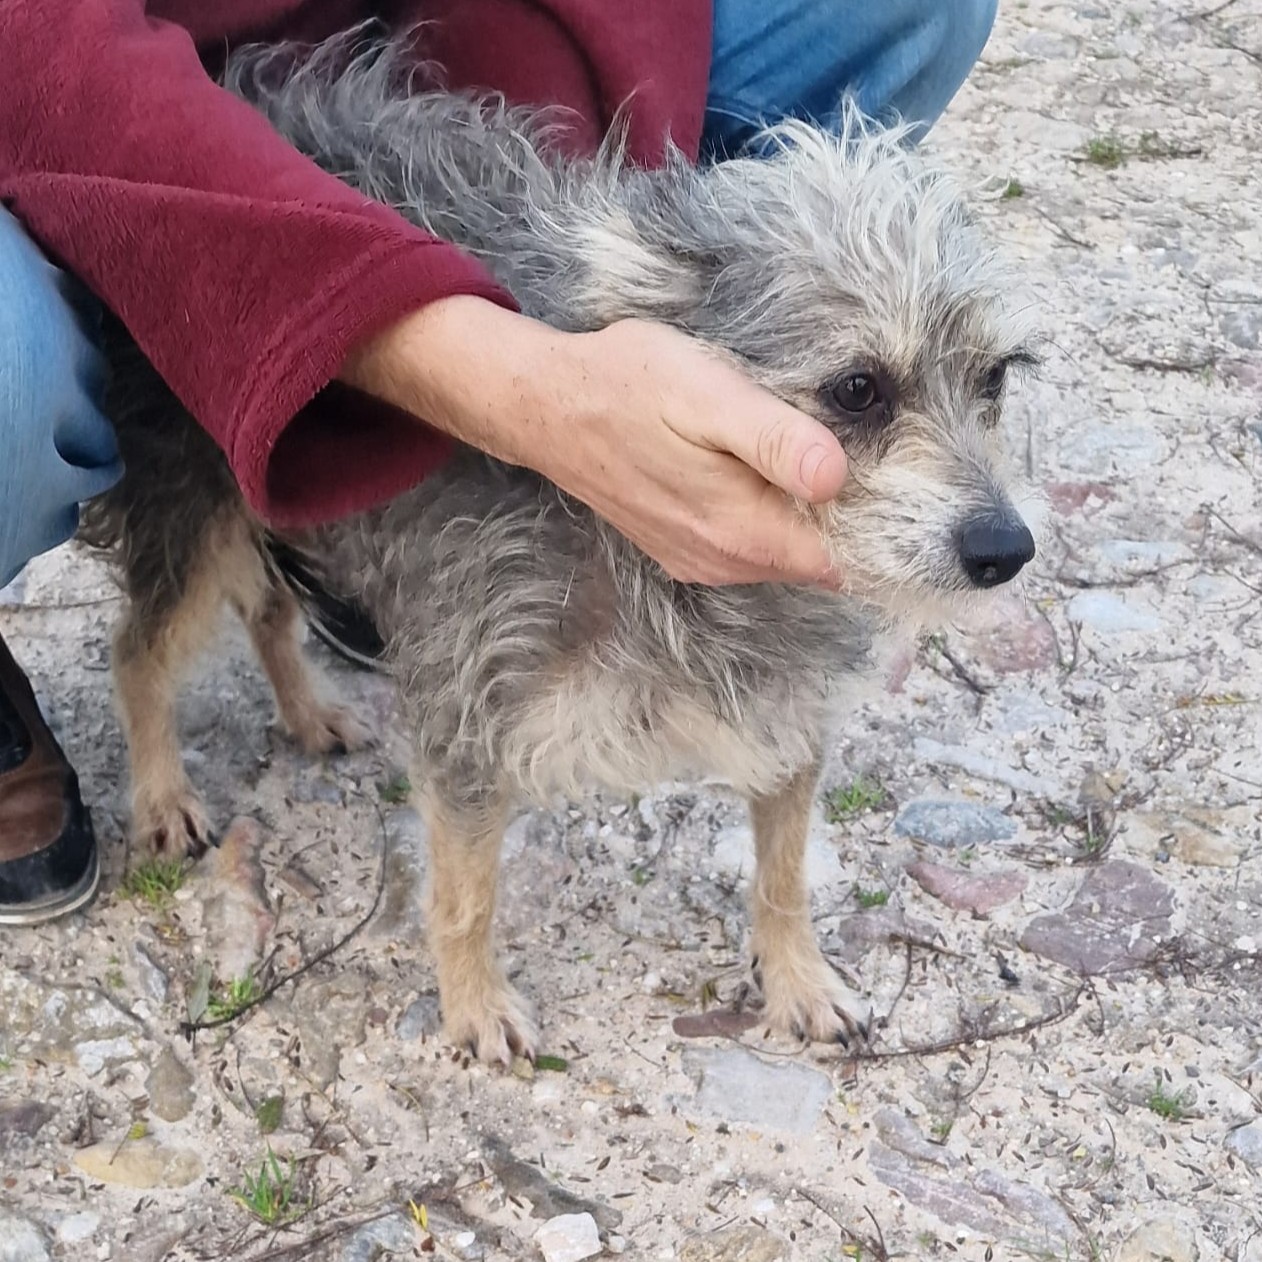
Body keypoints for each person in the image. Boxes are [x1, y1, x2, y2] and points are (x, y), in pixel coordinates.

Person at [0, 0, 998, 924]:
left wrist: (563, 171)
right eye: (856, 395)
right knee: (18, 372)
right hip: (101, 89)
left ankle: (393, 511)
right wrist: (512, 377)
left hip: (404, 56)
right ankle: (191, 678)